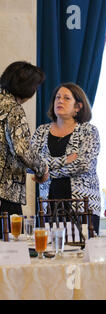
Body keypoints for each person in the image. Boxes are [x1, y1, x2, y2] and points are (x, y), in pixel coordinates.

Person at [31, 83, 101, 233]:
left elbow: (84, 165)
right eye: (57, 97)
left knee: (82, 253)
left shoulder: (88, 131)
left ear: (78, 106)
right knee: (50, 251)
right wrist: (64, 160)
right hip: (49, 205)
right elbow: (31, 163)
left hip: (83, 205)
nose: (60, 101)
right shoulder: (41, 131)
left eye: (66, 98)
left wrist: (46, 172)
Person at [0, 61, 48, 232]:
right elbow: (22, 149)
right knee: (11, 251)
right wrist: (42, 169)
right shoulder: (13, 109)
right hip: (4, 193)